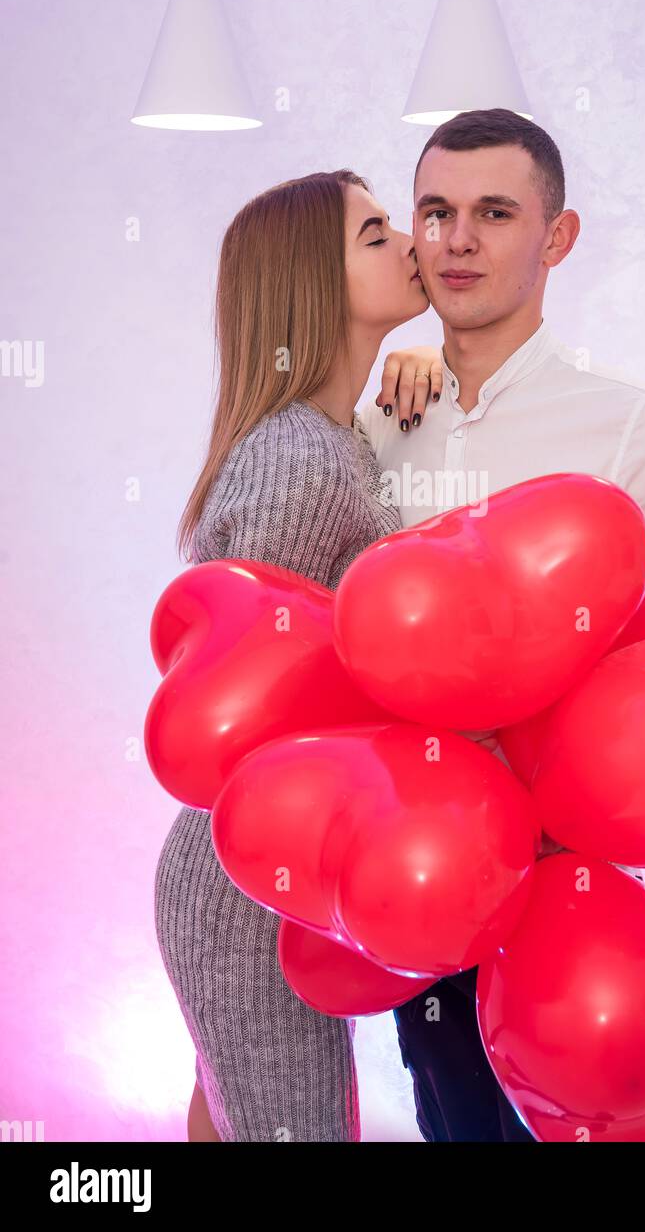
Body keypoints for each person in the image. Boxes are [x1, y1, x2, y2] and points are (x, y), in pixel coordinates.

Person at [359, 106, 645, 1142]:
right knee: (453, 1120)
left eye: (495, 212)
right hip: (423, 871)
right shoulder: (374, 425)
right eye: (435, 211)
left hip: (574, 892)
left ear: (557, 237)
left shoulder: (635, 423)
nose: (457, 238)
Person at [153, 169, 429, 1141]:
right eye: (374, 233)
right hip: (243, 887)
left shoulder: (341, 442)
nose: (409, 242)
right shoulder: (299, 459)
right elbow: (238, 698)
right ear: (312, 281)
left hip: (275, 869)